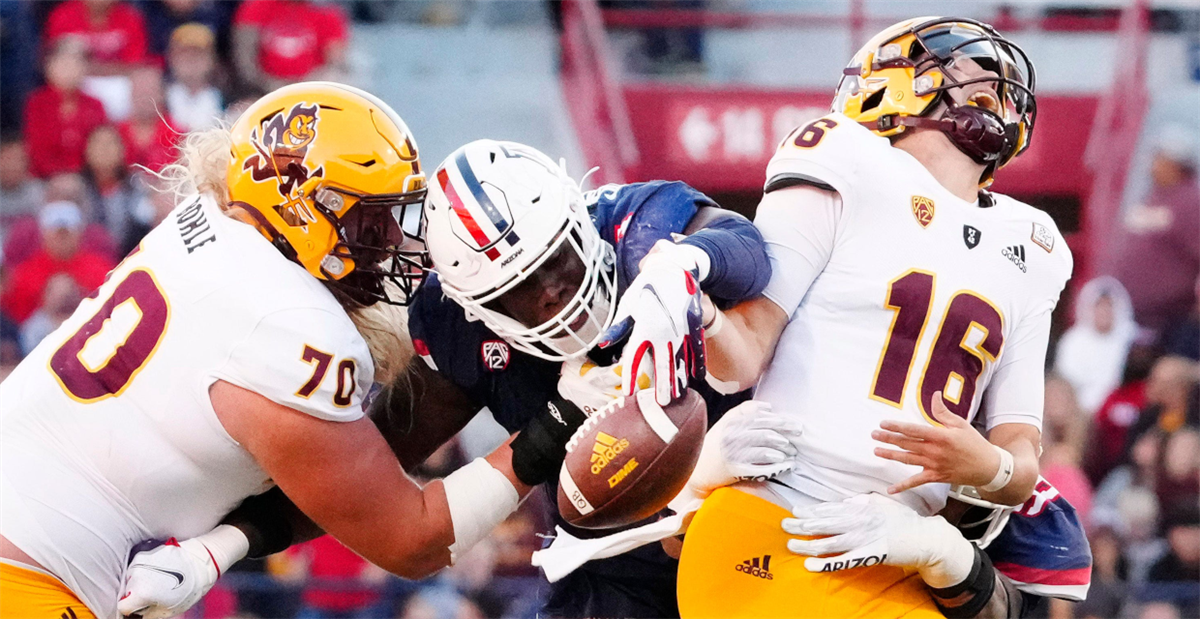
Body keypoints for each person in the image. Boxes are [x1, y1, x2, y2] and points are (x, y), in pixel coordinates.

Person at [119, 139, 798, 619]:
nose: (556, 300)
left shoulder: (641, 227)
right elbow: (360, 480)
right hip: (618, 563)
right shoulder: (457, 332)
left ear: (578, 220)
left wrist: (684, 267)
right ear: (472, 309)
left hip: (767, 517)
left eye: (558, 265)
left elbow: (750, 250)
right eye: (521, 294)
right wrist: (219, 548)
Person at [0, 83, 589, 619]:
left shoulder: (205, 222)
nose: (391, 242)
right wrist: (564, 415)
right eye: (372, 220)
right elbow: (415, 539)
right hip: (29, 574)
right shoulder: (290, 326)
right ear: (301, 204)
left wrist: (220, 548)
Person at [659, 16, 1068, 619]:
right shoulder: (841, 156)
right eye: (957, 63)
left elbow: (1019, 465)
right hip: (775, 520)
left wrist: (982, 465)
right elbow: (739, 359)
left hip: (899, 550)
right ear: (883, 87)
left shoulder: (1034, 244)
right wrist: (694, 306)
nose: (988, 77)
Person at [1104, 126, 1200, 335]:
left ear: (1177, 164)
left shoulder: (1191, 201)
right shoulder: (1151, 195)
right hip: (1129, 314)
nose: (1152, 164)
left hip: (1170, 320)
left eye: (1159, 157)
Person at [0, 200, 114, 323]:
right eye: (57, 233)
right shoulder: (25, 273)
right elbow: (14, 316)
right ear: (44, 234)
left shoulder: (101, 269)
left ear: (80, 233)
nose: (62, 239)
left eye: (67, 233)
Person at [24, 37, 109, 178]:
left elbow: (101, 148)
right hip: (44, 178)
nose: (70, 69)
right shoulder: (37, 103)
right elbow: (36, 150)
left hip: (88, 179)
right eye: (64, 63)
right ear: (49, 67)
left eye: (77, 63)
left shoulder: (95, 105)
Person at [1055, 276, 1139, 415]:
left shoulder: (1131, 340)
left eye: (1109, 305)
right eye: (1099, 305)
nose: (1104, 311)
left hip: (1118, 407)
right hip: (1079, 411)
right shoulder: (1073, 341)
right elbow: (1066, 382)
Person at [232, 0, 349, 90]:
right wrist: (269, 86)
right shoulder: (255, 7)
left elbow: (334, 63)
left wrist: (302, 88)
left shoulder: (327, 12)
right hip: (263, 90)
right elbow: (244, 59)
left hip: (312, 89)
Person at [43, 0, 149, 75]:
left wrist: (95, 69)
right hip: (75, 83)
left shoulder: (130, 17)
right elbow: (55, 62)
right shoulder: (63, 15)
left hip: (119, 82)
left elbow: (134, 64)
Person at [164, 23, 224, 133]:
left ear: (212, 59)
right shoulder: (157, 99)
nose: (191, 60)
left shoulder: (230, 101)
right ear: (171, 58)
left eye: (198, 54)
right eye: (184, 54)